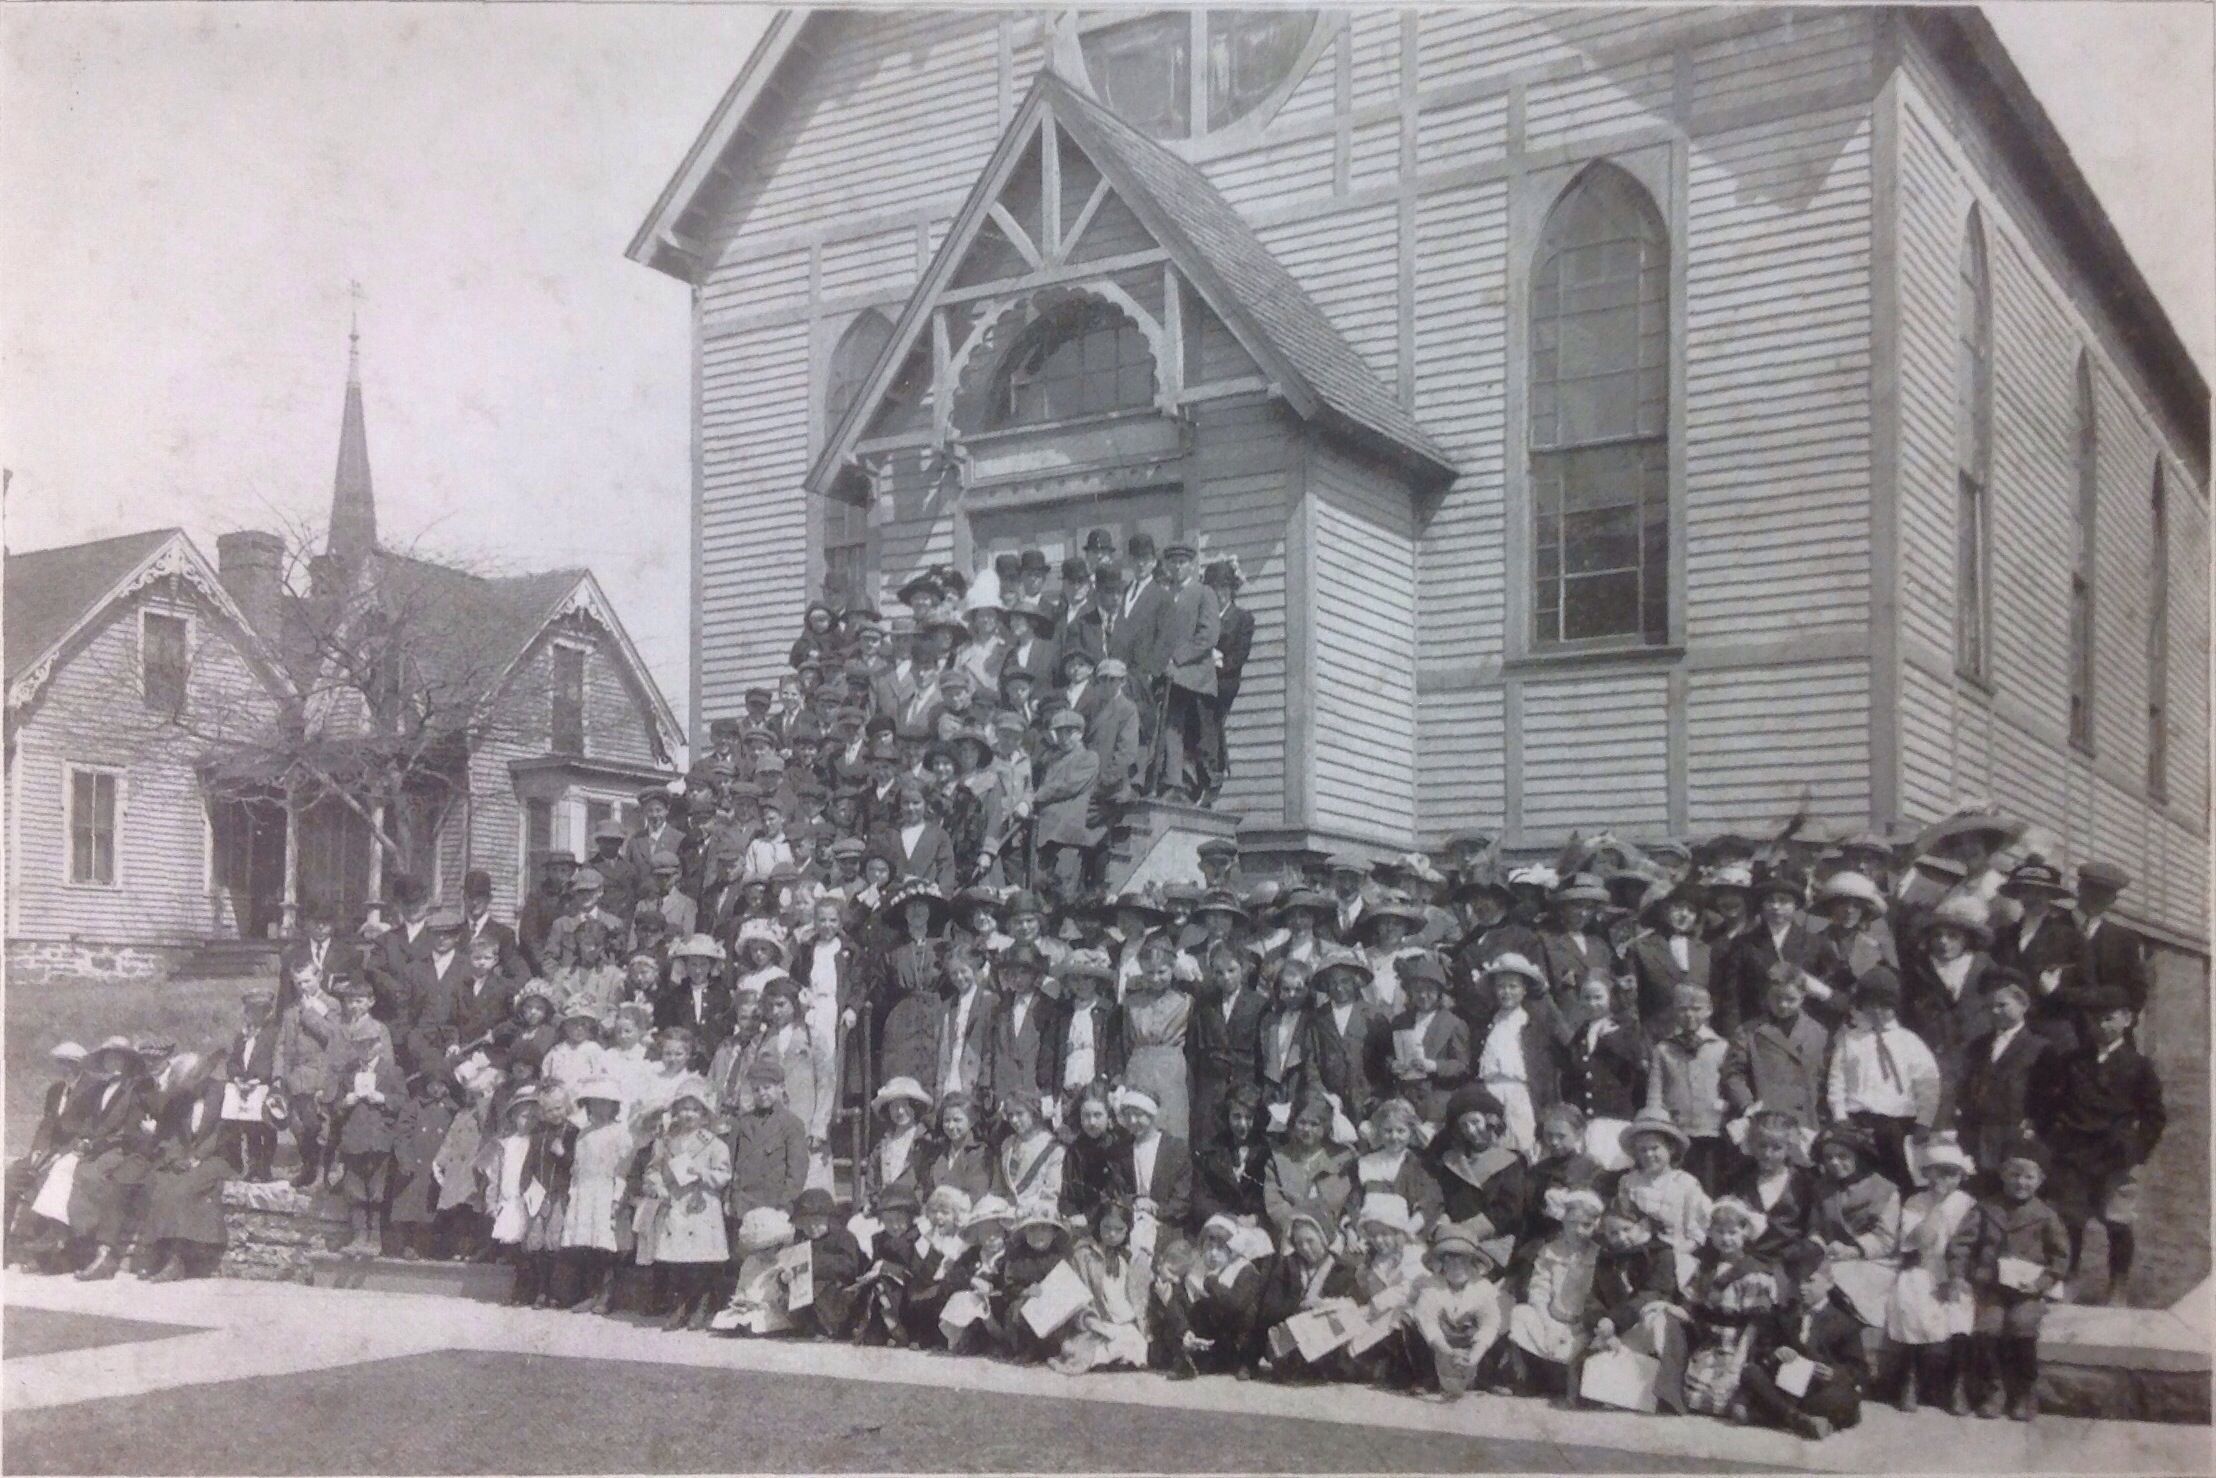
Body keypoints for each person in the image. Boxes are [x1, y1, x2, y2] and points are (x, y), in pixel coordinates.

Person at [2031, 984, 2165, 1304]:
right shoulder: (2073, 1061)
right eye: (2094, 1020)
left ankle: (2117, 1284)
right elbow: (2051, 1105)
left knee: (2117, 1220)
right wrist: (2055, 1139)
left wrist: (2134, 1150)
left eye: (2108, 1019)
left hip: (2114, 1155)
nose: (2101, 1026)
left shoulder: (2139, 1065)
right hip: (2074, 1153)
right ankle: (2070, 1276)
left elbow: (2154, 1117)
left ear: (2127, 1020)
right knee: (2071, 1219)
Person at [1954, 1141, 2069, 1421]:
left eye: (2029, 1177)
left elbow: (2060, 1258)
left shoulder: (2046, 1216)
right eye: (2014, 1175)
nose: (2021, 1183)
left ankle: (2024, 1390)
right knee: (1988, 1328)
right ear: (2003, 1175)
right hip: (1991, 1286)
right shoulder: (1985, 1208)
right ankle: (1995, 1389)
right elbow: (1962, 1245)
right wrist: (1959, 1274)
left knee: (2021, 1326)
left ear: (2040, 1181)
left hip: (2027, 1290)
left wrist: (2041, 1284)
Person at [1884, 1134, 1978, 1413]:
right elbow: (1922, 1240)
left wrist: (1956, 1275)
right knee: (1913, 1302)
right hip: (1923, 1265)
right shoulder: (1916, 1202)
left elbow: (1970, 1245)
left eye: (1950, 1175)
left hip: (1956, 1269)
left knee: (1960, 1311)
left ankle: (1957, 1383)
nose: (1942, 1182)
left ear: (1960, 1176)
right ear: (1925, 1175)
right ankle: (1910, 1378)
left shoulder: (1968, 1203)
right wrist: (1936, 1206)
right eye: (1935, 1175)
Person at [1824, 967, 1941, 1189]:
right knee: (1860, 1181)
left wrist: (1924, 1122)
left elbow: (1928, 1084)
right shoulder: (1850, 1040)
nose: (1878, 1011)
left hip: (1897, 1124)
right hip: (1857, 1122)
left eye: (1885, 1006)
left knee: (1899, 1179)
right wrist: (1840, 1117)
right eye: (1871, 1005)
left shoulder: (1909, 1041)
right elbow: (1836, 1080)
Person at [1741, 1240, 1869, 1439]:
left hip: (1818, 1390)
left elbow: (1859, 1369)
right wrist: (1776, 1352)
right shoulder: (1783, 1314)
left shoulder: (1844, 1322)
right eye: (1796, 1281)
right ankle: (1798, 1419)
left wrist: (1835, 1374)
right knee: (1751, 1373)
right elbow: (1762, 1349)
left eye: (1810, 1281)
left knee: (1846, 1399)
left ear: (1829, 1282)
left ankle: (1775, 1414)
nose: (1802, 1287)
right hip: (1786, 1387)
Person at [637, 1085, 732, 1332]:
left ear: (703, 1114)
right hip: (676, 1203)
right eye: (683, 1109)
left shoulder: (714, 1144)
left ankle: (701, 1306)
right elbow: (653, 1170)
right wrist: (659, 1188)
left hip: (701, 1204)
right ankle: (680, 1306)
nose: (688, 1115)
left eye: (694, 1109)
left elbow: (724, 1175)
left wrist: (703, 1173)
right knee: (677, 1260)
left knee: (700, 1260)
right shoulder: (667, 1142)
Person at [1679, 1197, 1781, 1418]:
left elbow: (1754, 1323)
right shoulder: (1706, 1268)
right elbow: (1692, 1305)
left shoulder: (1754, 1272)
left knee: (1724, 1399)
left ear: (1745, 1233)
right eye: (1720, 1232)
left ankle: (1747, 1403)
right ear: (1711, 1234)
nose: (1726, 1239)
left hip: (1739, 1344)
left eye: (1732, 1233)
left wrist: (1737, 1362)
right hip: (1710, 1342)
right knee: (1693, 1398)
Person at [558, 1077, 636, 1314]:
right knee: (587, 1245)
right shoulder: (583, 1134)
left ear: (615, 1106)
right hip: (586, 1192)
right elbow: (578, 1167)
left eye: (606, 1103)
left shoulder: (621, 1134)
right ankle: (590, 1293)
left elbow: (624, 1168)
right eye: (595, 1103)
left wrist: (617, 1198)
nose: (600, 1108)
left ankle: (606, 1295)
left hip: (607, 1192)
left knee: (607, 1247)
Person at [1645, 985, 1731, 1193]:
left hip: (1712, 1129)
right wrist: (1657, 1125)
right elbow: (1655, 1091)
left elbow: (1729, 1085)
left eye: (1696, 1008)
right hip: (1677, 1131)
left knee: (1708, 1187)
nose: (1689, 1015)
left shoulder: (1721, 1047)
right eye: (1683, 1009)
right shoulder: (1664, 1049)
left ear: (1709, 1010)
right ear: (1674, 1011)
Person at [1262, 1092, 1355, 1239]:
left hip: (1336, 1231)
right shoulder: (1279, 1159)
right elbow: (1274, 1203)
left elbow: (1352, 1200)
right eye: (1302, 1122)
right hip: (1293, 1233)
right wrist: (1296, 1228)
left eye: (1314, 1124)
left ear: (1325, 1126)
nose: (1307, 1129)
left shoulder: (1343, 1158)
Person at [726, 1058, 809, 1223]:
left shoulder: (792, 1124)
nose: (762, 1093)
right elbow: (730, 1164)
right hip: (742, 1205)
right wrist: (728, 1198)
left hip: (774, 1206)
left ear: (781, 1088)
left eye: (767, 1087)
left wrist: (786, 1206)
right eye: (756, 1089)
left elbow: (797, 1172)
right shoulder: (742, 1123)